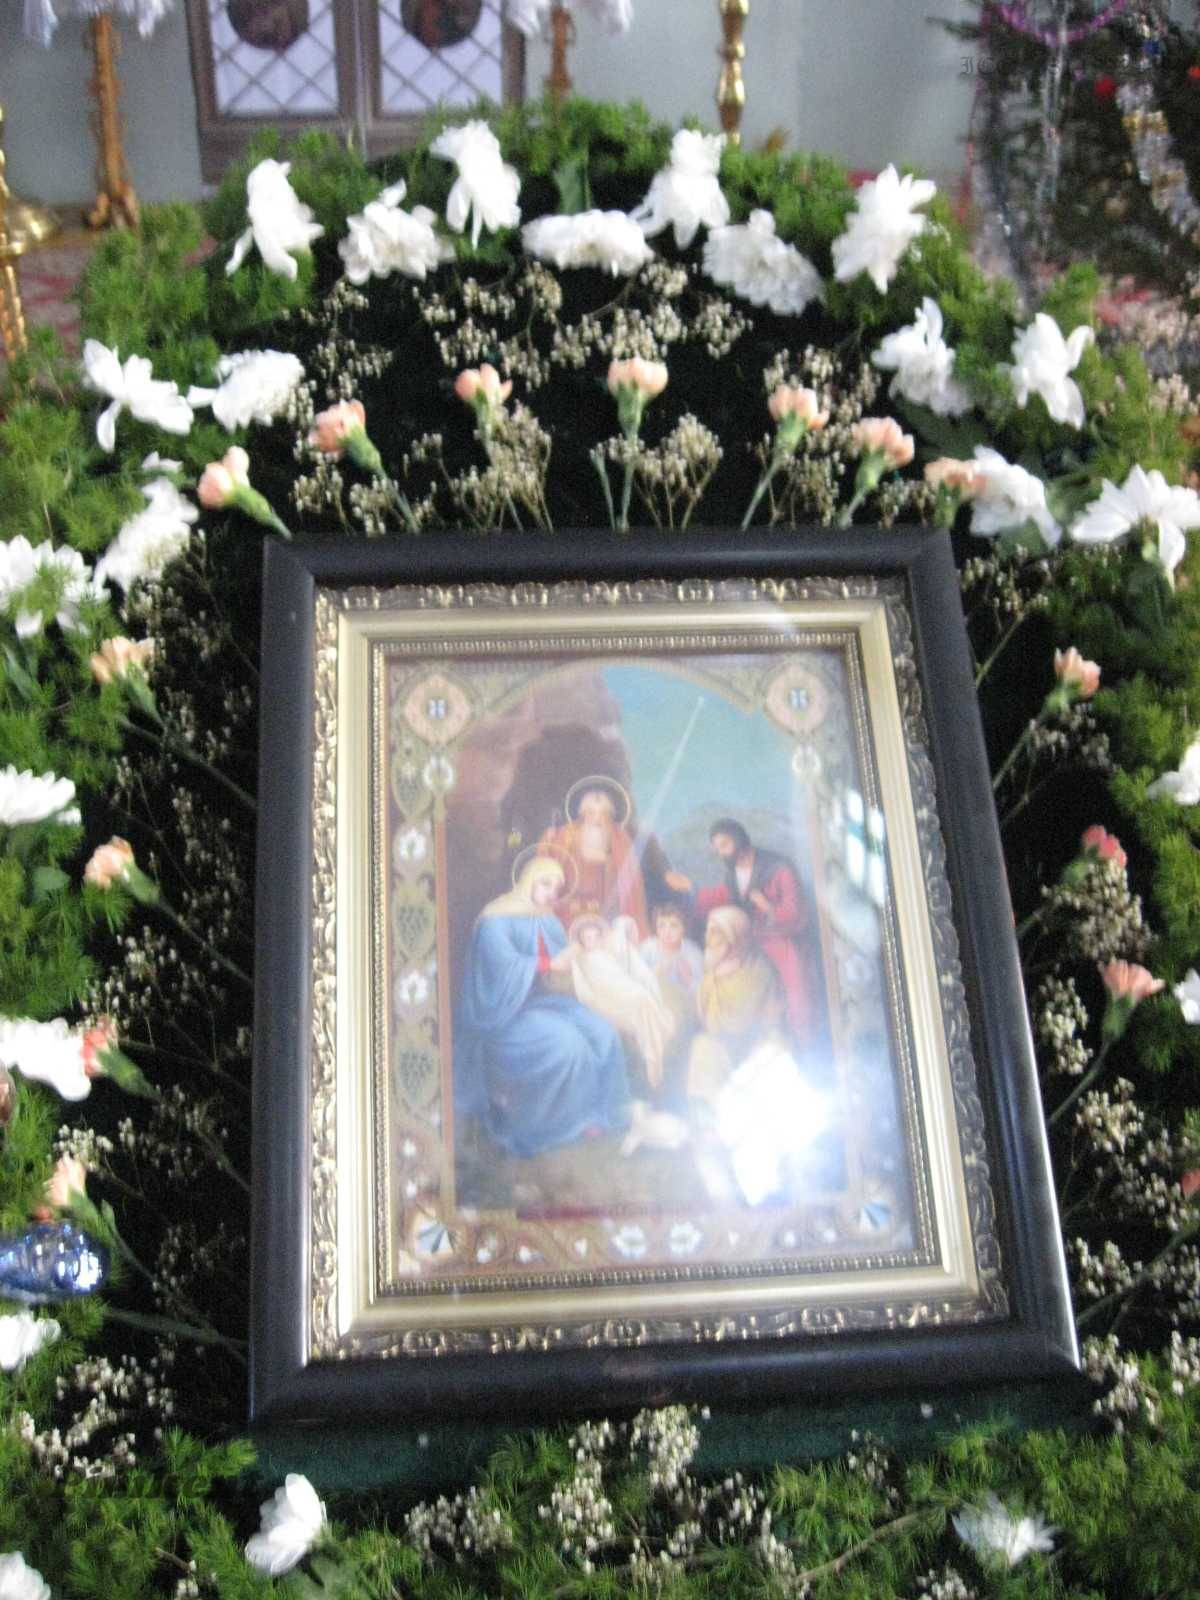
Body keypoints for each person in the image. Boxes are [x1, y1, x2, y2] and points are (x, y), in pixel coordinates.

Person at [453, 856, 630, 1158]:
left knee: (603, 1031)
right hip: (505, 1012)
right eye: (545, 884)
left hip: (545, 1002)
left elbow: (560, 971)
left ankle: (602, 1112)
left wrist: (583, 959)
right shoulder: (494, 919)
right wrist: (549, 964)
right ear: (528, 881)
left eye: (556, 888)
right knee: (569, 1045)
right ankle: (559, 1125)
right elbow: (500, 968)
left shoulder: (547, 919)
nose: (551, 893)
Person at [666, 817, 819, 1043]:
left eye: (725, 845)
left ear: (739, 840)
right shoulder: (734, 873)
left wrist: (767, 908)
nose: (722, 853)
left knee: (794, 985)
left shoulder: (779, 868)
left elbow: (795, 912)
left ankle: (802, 1036)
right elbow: (723, 896)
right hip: (751, 938)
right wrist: (691, 888)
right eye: (718, 848)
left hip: (781, 938)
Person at [567, 912, 675, 1091]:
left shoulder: (607, 953)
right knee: (640, 1000)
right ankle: (652, 1060)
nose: (593, 941)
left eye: (596, 936)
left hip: (625, 990)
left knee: (643, 998)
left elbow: (620, 973)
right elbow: (592, 987)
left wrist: (623, 930)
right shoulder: (582, 960)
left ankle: (653, 1058)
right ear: (581, 941)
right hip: (609, 999)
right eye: (588, 938)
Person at [539, 782, 651, 940]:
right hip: (567, 910)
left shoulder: (619, 839)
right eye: (591, 812)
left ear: (610, 816)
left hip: (605, 911)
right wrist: (548, 841)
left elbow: (629, 882)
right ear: (582, 814)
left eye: (603, 814)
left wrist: (607, 862)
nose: (597, 819)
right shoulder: (564, 835)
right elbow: (547, 865)